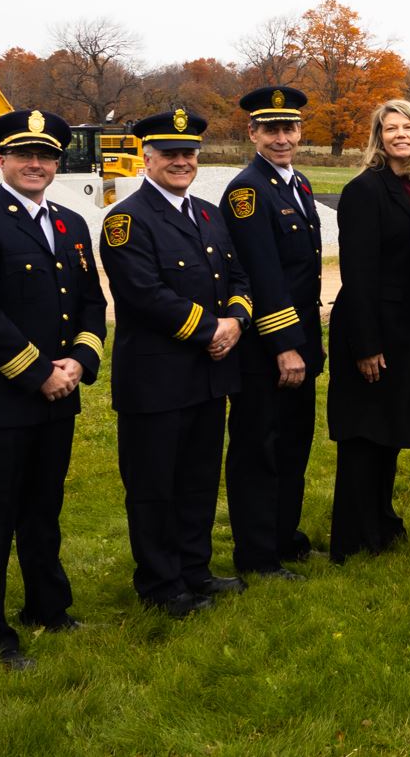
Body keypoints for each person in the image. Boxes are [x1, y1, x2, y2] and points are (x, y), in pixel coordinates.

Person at [0, 109, 105, 670]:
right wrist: (41, 374)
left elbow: (91, 302)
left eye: (47, 157)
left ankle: (48, 608)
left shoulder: (71, 224)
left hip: (59, 398)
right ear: (2, 160)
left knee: (44, 509)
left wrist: (81, 361)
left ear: (58, 164)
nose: (36, 164)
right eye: (24, 155)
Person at [99, 108, 250, 616]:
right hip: (157, 379)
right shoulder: (126, 220)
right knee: (154, 486)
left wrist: (234, 322)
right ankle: (161, 585)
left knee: (198, 480)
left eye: (189, 154)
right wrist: (210, 330)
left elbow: (239, 279)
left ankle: (195, 569)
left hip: (208, 376)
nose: (182, 162)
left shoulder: (208, 213)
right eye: (170, 154)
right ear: (148, 157)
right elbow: (143, 294)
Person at [219, 86, 322, 579]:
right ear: (253, 132)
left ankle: (286, 537)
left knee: (293, 443)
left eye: (290, 128)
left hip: (300, 340)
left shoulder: (296, 183)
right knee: (259, 449)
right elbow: (262, 273)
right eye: (271, 129)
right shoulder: (247, 190)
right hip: (268, 347)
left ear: (300, 132)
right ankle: (258, 555)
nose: (282, 138)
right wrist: (285, 347)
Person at [328, 99, 410, 563]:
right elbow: (359, 273)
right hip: (369, 328)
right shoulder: (364, 190)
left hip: (408, 331)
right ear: (379, 138)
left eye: (407, 127)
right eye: (390, 128)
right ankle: (354, 536)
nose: (399, 135)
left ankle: (382, 521)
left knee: (388, 433)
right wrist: (365, 345)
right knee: (363, 435)